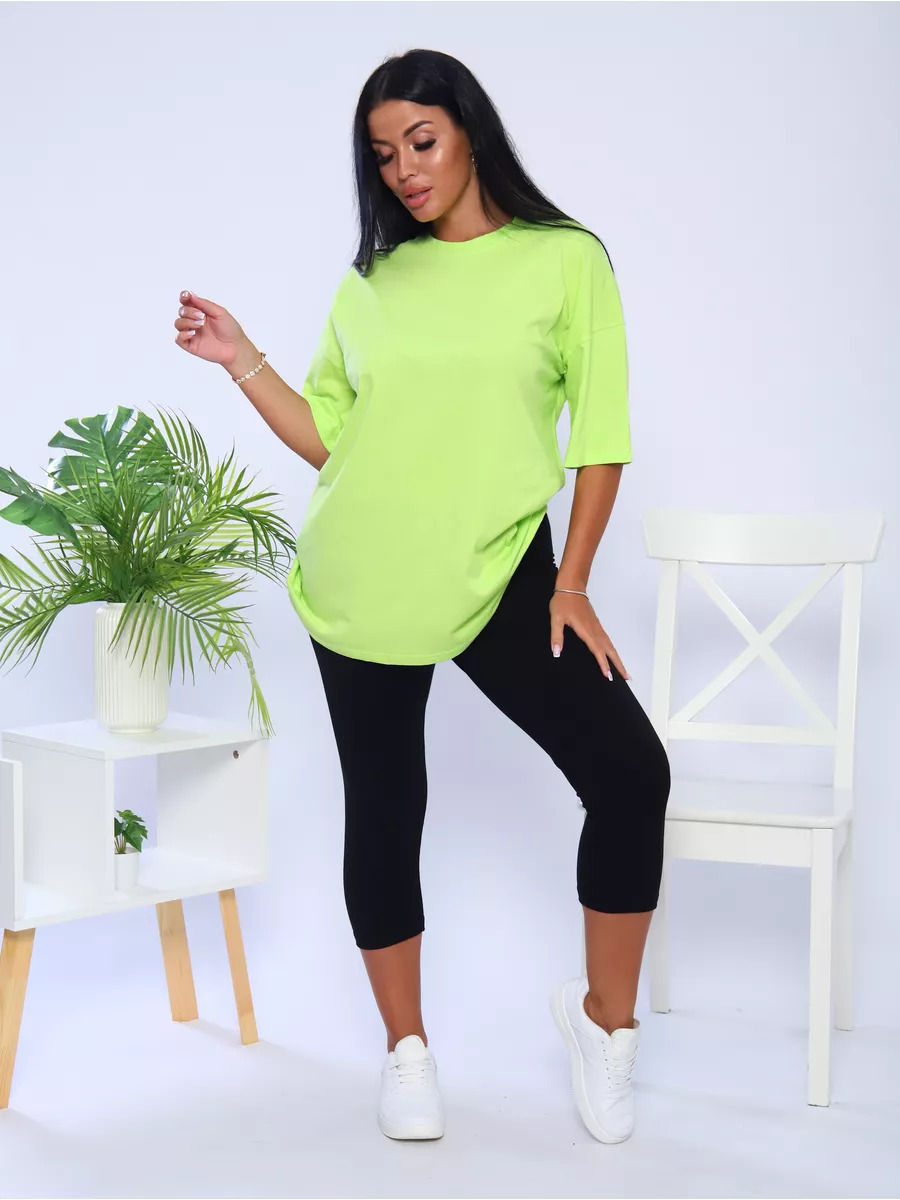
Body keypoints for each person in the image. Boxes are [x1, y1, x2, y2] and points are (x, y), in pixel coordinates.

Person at [173, 47, 670, 1146]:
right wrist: (242, 357)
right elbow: (334, 439)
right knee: (387, 808)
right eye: (384, 153)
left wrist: (574, 582)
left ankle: (606, 1025)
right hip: (365, 571)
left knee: (631, 775)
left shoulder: (564, 259)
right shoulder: (374, 283)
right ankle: (406, 1050)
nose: (403, 169)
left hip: (504, 568)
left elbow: (600, 436)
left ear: (470, 132)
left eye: (422, 141)